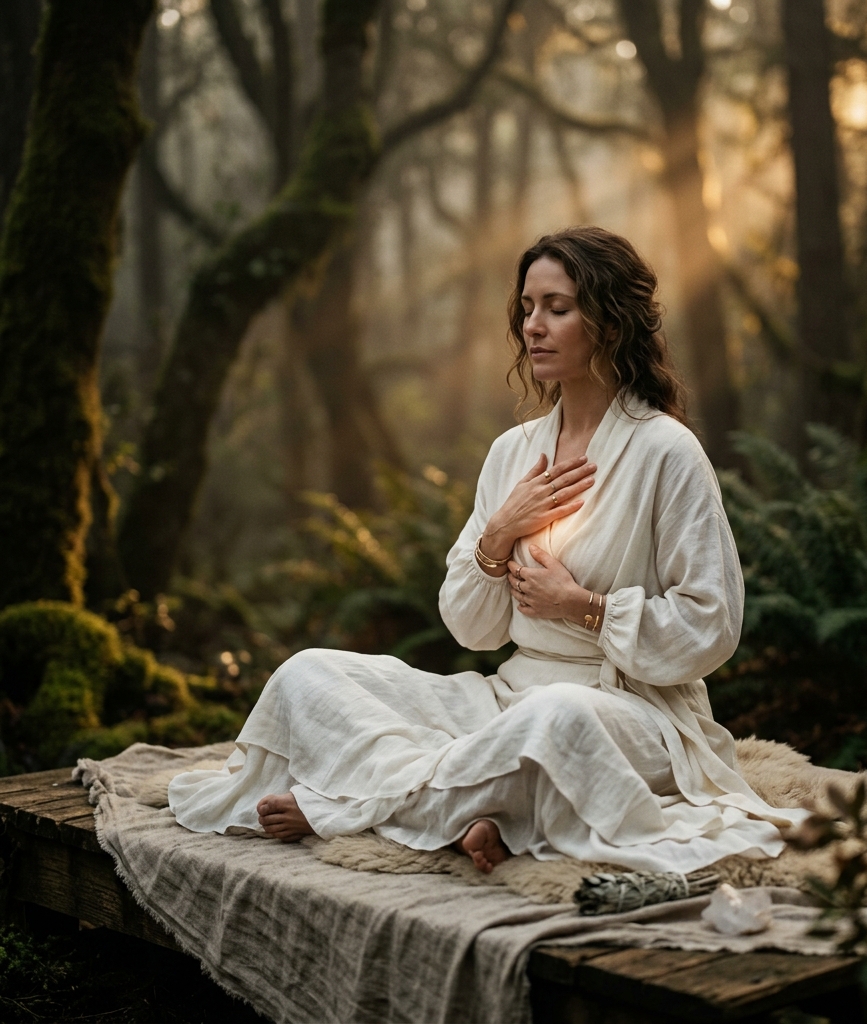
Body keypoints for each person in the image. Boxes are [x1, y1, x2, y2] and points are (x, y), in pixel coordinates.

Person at [169, 227, 805, 875]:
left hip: (629, 711)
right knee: (310, 674)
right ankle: (471, 809)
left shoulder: (666, 451)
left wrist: (585, 607)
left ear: (611, 323)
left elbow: (711, 624)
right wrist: (498, 536)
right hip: (507, 695)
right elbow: (472, 629)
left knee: (555, 719)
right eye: (527, 308)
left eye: (557, 308)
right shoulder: (512, 454)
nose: (533, 326)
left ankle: (353, 806)